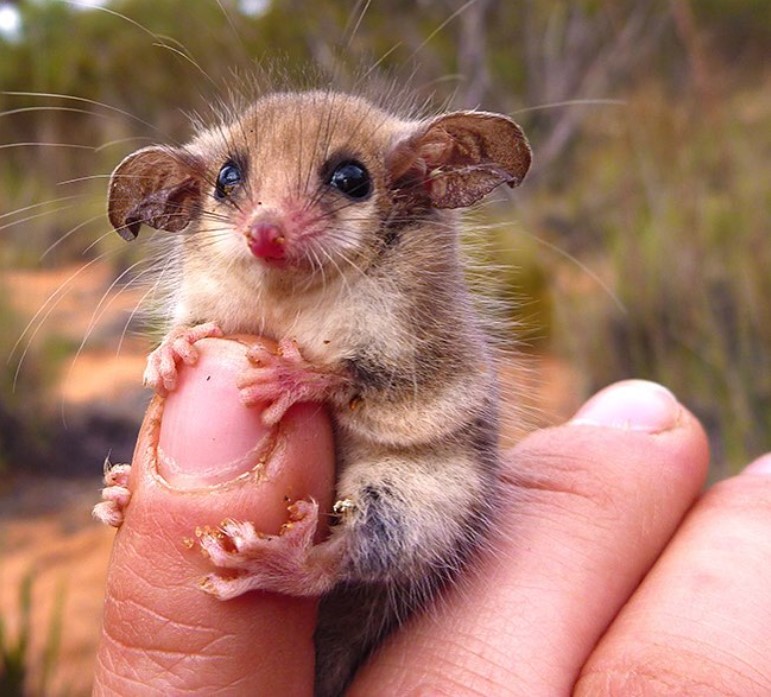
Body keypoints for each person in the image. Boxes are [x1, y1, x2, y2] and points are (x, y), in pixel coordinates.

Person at [92, 338, 771, 696]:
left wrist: (330, 381)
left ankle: (315, 559)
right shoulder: (216, 288)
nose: (267, 226)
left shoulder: (407, 293)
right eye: (233, 182)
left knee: (410, 504)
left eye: (346, 182)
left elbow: (438, 396)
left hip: (393, 518)